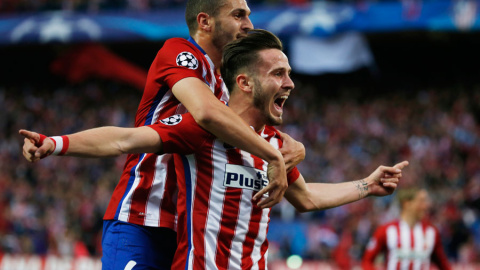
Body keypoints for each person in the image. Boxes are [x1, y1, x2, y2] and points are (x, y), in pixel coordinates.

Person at [21, 29, 408, 269]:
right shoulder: (200, 130)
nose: (290, 83)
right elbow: (126, 138)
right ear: (243, 82)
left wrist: (365, 186)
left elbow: (305, 198)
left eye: (289, 73)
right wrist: (55, 144)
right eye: (279, 73)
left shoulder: (274, 145)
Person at [23, 1, 304, 269]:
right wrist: (272, 155)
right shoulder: (180, 53)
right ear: (205, 21)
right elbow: (197, 114)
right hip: (141, 218)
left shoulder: (230, 88)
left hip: (189, 233)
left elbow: (265, 142)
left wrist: (292, 147)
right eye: (238, 15)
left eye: (248, 15)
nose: (248, 24)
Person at [362, 187, 451, 270]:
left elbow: (443, 264)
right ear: (407, 204)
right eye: (421, 201)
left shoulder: (431, 232)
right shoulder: (386, 230)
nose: (426, 206)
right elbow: (367, 261)